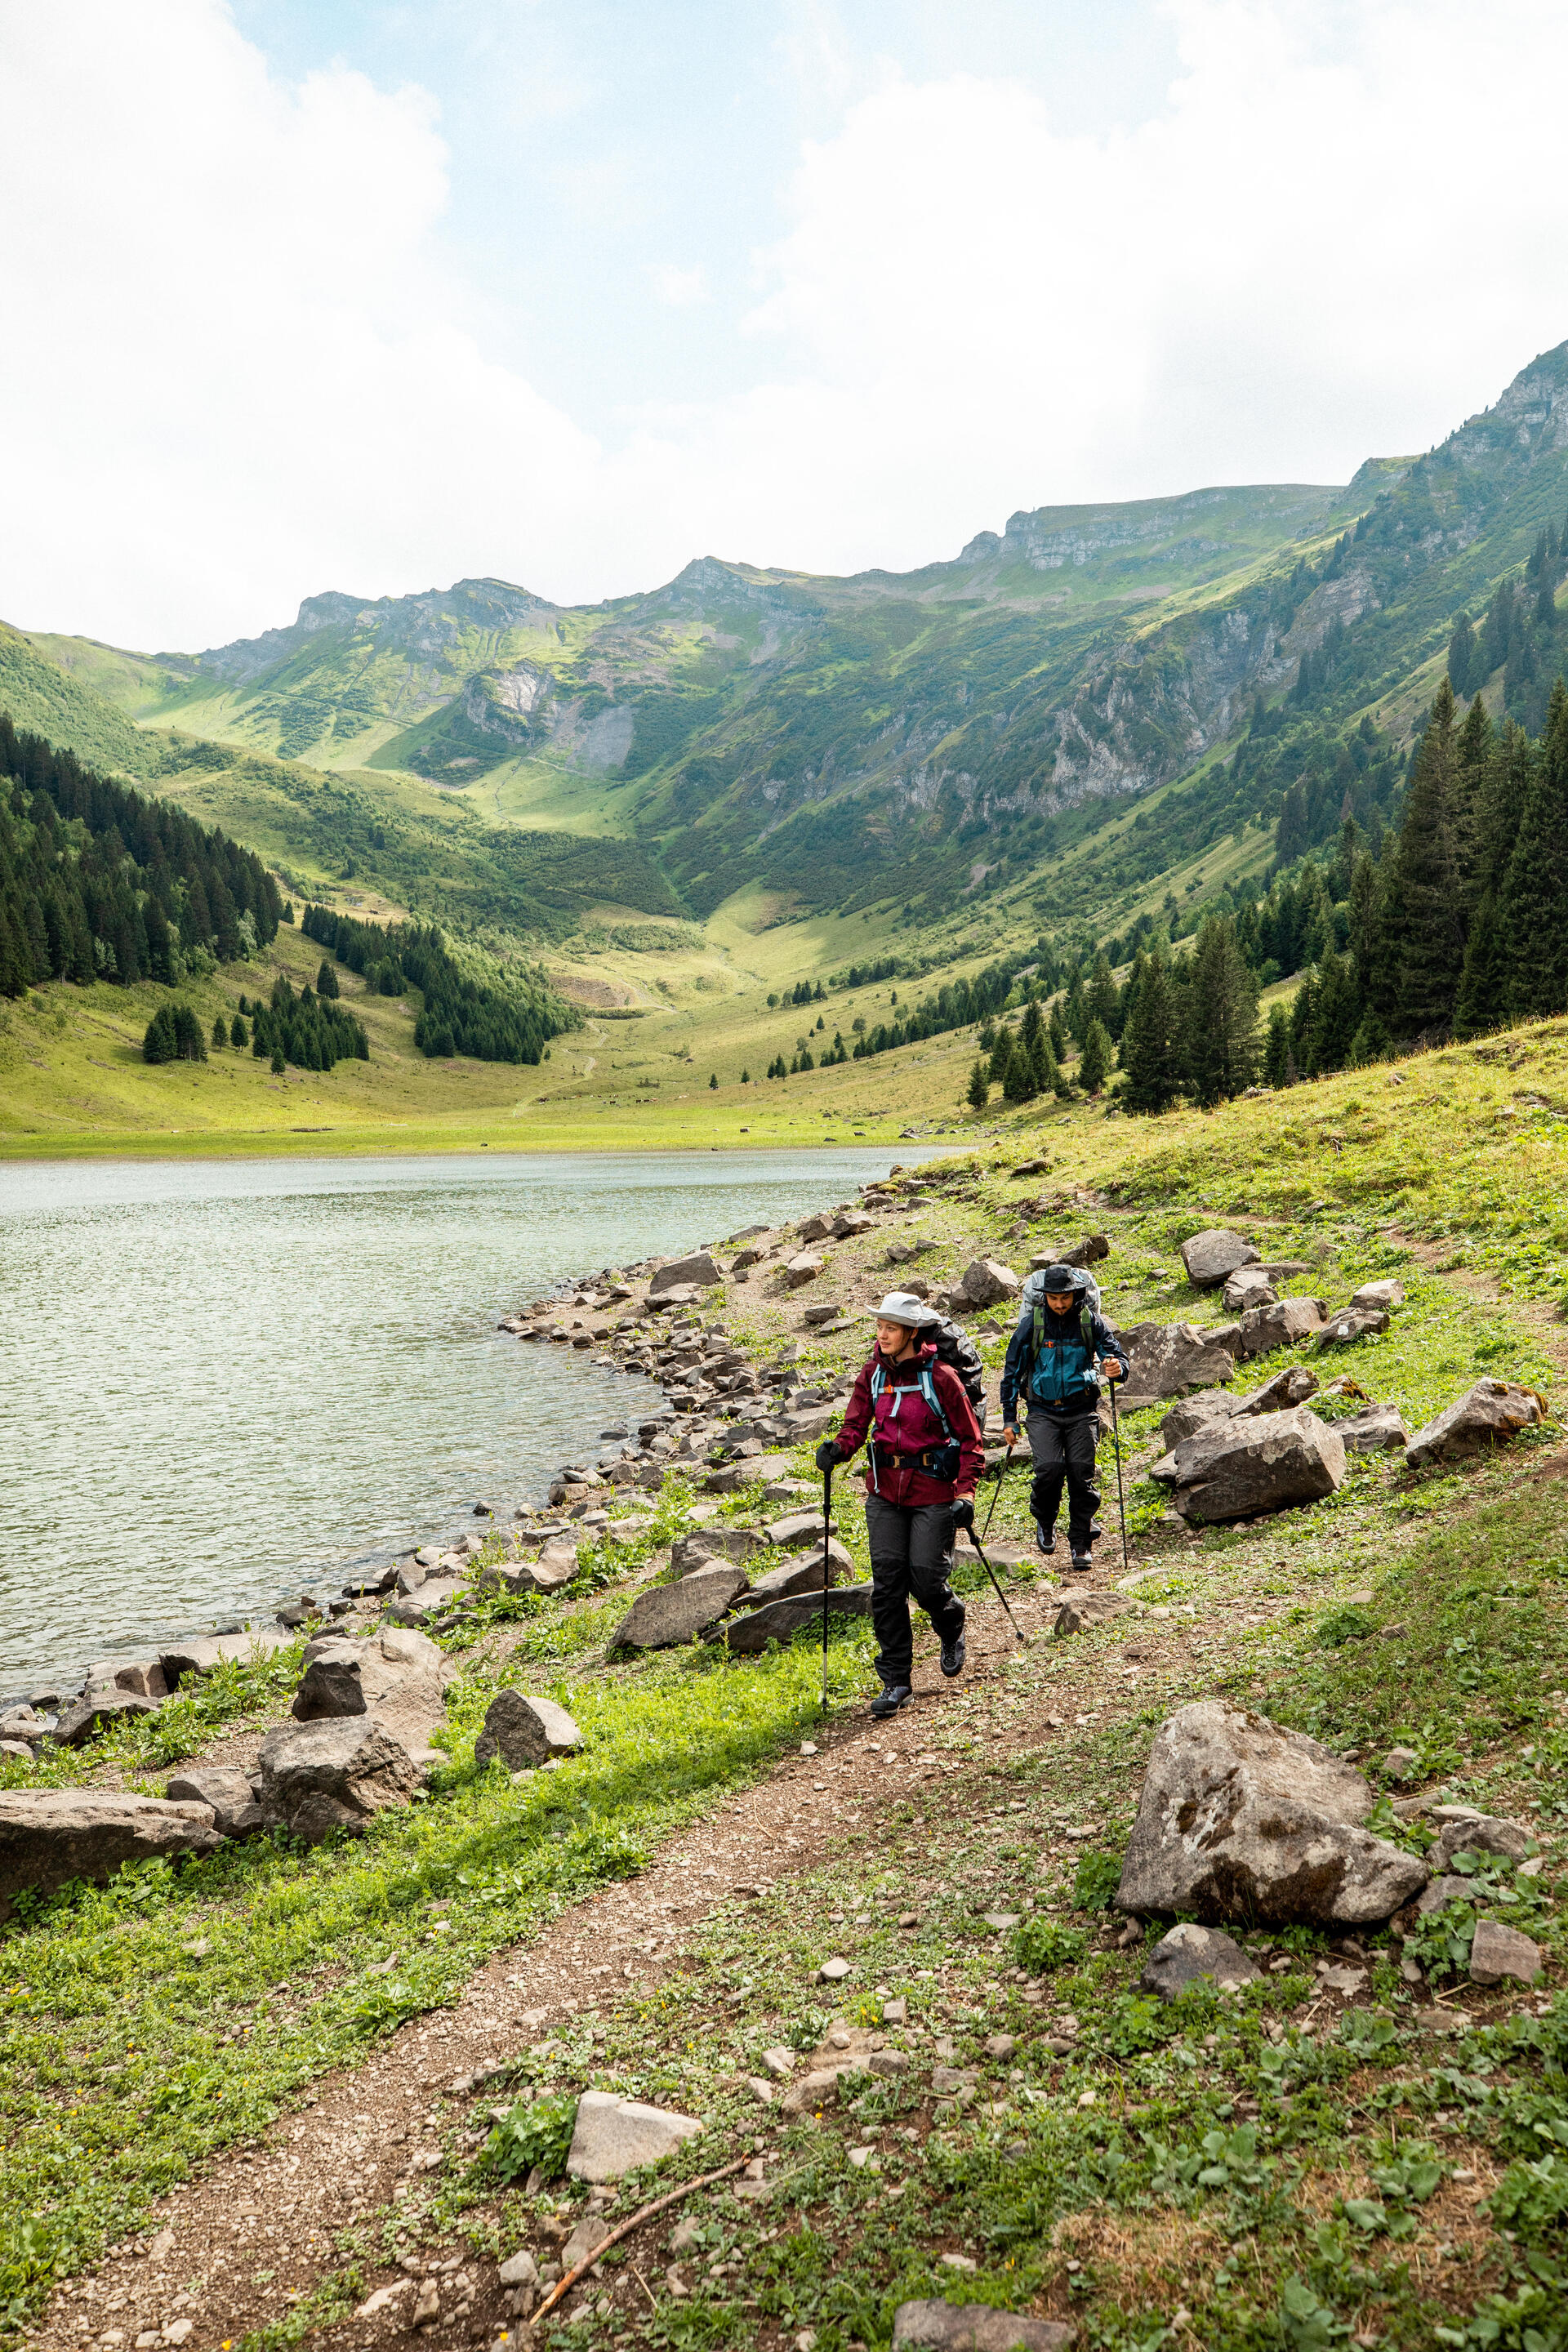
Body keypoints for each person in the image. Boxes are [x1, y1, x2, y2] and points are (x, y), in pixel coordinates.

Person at [815, 1291, 985, 1720]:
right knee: (888, 1586)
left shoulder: (942, 1377)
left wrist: (965, 1493)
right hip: (885, 1494)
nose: (882, 1334)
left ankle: (951, 1622)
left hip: (933, 1494)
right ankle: (896, 1681)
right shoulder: (872, 1374)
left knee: (926, 1580)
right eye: (880, 1326)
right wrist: (838, 1448)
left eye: (891, 1327)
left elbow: (970, 1441)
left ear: (912, 1333)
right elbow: (856, 1425)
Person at [1000, 1263, 1129, 1574]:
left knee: (1081, 1475)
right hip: (1042, 1410)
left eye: (1065, 1298)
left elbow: (1117, 1357)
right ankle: (1045, 1520)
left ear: (1075, 1294)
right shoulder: (1033, 1325)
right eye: (1054, 1298)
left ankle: (1081, 1544)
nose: (1060, 1304)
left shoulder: (1089, 1322)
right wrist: (1009, 1418)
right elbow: (1012, 1372)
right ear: (1044, 1297)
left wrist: (1116, 1369)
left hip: (1081, 1409)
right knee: (1049, 1470)